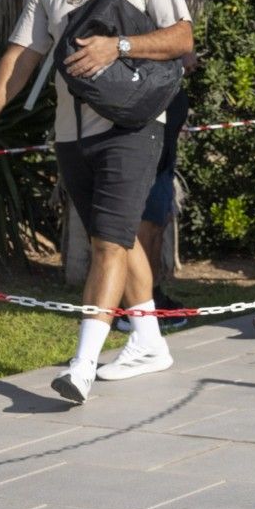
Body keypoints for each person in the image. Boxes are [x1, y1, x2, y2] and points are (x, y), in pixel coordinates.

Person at [0, 0, 193, 404]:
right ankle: (149, 341)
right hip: (72, 133)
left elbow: (182, 38)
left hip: (134, 124)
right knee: (112, 234)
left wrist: (118, 46)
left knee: (107, 242)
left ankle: (81, 366)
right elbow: (23, 54)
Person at [114, 53, 201, 335]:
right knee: (144, 228)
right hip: (146, 134)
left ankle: (151, 295)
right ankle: (135, 305)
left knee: (156, 225)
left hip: (165, 141)